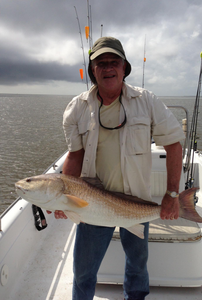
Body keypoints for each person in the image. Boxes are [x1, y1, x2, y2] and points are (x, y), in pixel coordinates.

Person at [50, 37, 185, 300]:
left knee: (137, 266)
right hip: (93, 203)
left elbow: (173, 145)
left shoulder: (147, 101)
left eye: (114, 62)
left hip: (137, 202)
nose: (108, 67)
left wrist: (171, 195)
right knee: (83, 271)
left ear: (125, 68)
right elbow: (75, 156)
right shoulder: (76, 109)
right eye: (101, 63)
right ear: (93, 70)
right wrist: (63, 197)